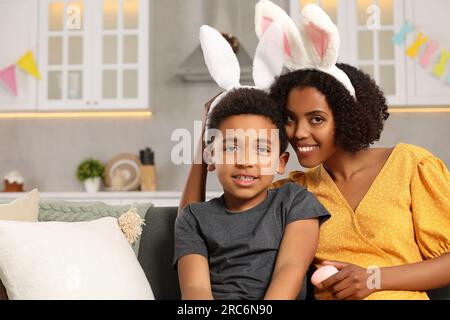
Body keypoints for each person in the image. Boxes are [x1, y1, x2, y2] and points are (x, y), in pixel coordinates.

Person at [180, 0, 450, 300]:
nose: (298, 133)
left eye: (316, 119)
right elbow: (194, 223)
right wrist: (205, 137)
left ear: (347, 118)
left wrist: (374, 279)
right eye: (290, 119)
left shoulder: (411, 165)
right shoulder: (295, 192)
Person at [173, 89, 330, 300]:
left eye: (262, 149)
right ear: (210, 157)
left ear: (281, 162)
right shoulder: (193, 217)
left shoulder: (295, 201)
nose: (246, 161)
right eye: (231, 147)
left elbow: (290, 269)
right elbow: (195, 290)